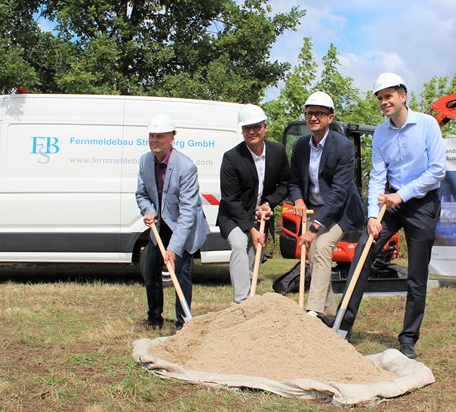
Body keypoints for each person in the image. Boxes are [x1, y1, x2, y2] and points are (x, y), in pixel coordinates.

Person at [334, 72, 446, 360]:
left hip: (422, 203)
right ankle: (342, 328)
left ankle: (408, 339)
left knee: (417, 274)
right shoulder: (381, 133)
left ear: (403, 95)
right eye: (380, 98)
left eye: (389, 96)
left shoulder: (427, 125)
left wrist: (403, 194)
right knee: (363, 251)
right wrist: (373, 216)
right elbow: (377, 176)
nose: (384, 102)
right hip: (390, 203)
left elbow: (437, 171)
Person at [290, 91, 365, 320]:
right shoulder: (300, 145)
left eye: (319, 114)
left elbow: (340, 193)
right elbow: (293, 181)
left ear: (330, 118)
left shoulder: (342, 146)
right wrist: (299, 199)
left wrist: (314, 229)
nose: (313, 118)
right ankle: (330, 315)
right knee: (313, 257)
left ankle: (312, 311)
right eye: (310, 113)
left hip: (341, 211)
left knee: (321, 247)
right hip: (315, 206)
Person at [135, 114, 209, 331]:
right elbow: (141, 194)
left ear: (171, 138)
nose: (154, 140)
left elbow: (188, 212)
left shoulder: (186, 167)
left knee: (181, 274)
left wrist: (174, 249)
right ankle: (154, 318)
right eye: (152, 136)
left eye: (160, 136)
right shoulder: (145, 161)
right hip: (159, 226)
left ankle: (183, 323)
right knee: (150, 269)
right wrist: (148, 211)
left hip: (183, 227)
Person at [217, 104, 290, 304]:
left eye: (256, 126)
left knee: (252, 254)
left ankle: (248, 295)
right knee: (240, 245)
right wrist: (251, 229)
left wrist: (269, 203)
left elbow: (284, 185)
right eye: (247, 128)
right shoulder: (231, 158)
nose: (252, 132)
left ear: (265, 127)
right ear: (241, 131)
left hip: (259, 214)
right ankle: (241, 302)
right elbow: (230, 199)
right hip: (233, 216)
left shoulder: (278, 152)